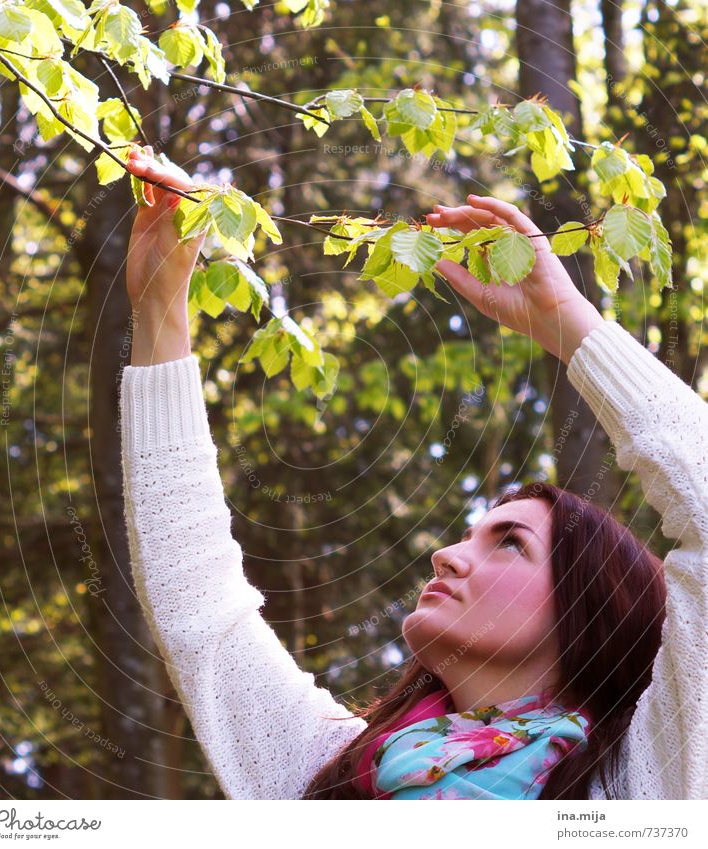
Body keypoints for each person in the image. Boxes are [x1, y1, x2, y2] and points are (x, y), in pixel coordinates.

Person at [120, 147, 708, 800]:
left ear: (588, 606)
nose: (446, 555)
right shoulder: (327, 767)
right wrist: (158, 307)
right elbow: (195, 601)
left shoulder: (643, 774)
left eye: (509, 542)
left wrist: (566, 324)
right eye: (475, 534)